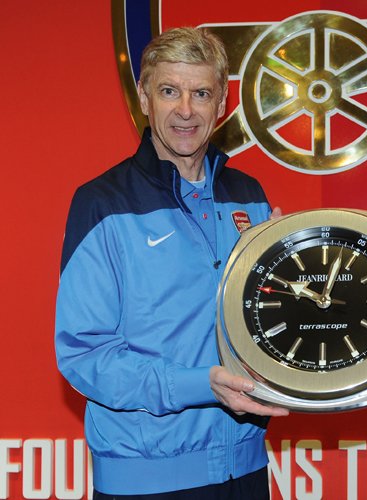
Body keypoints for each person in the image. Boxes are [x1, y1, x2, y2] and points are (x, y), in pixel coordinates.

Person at [55, 27, 289, 499]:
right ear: (144, 98)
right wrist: (197, 384)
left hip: (245, 471)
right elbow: (84, 356)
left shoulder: (250, 197)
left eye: (201, 93)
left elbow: (269, 327)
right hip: (145, 482)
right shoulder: (102, 203)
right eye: (169, 91)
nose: (186, 110)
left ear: (221, 103)